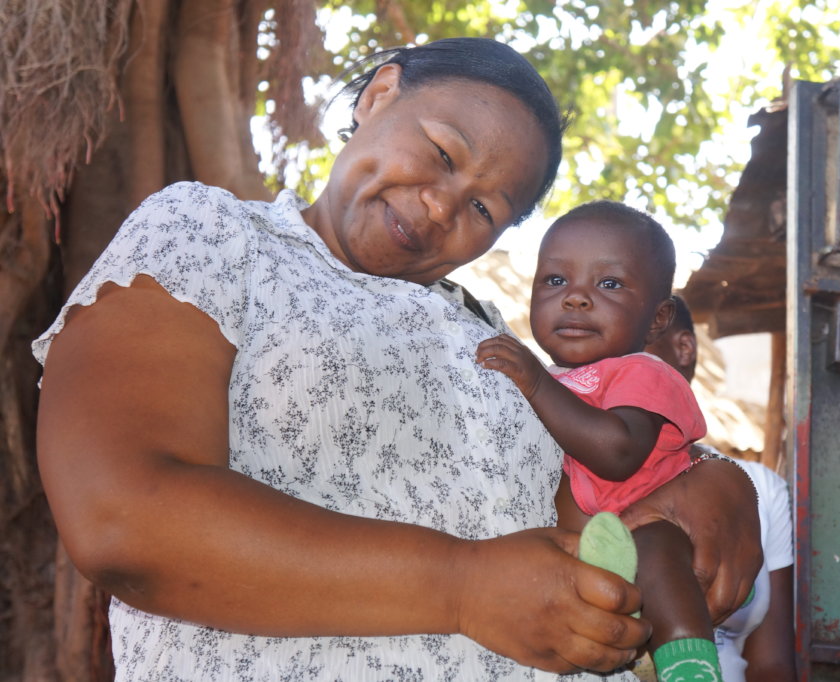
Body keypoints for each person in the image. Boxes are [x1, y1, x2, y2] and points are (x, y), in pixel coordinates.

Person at [33, 37, 761, 681]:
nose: (445, 206)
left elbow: (596, 526)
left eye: (485, 210)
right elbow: (123, 517)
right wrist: (464, 587)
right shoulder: (215, 236)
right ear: (380, 95)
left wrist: (713, 484)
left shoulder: (498, 339)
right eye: (444, 155)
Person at [476, 202, 722, 680]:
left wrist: (534, 383)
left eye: (608, 284)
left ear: (658, 318)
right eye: (554, 280)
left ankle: (689, 663)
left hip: (641, 530)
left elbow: (617, 452)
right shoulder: (552, 379)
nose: (576, 298)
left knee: (658, 548)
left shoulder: (644, 372)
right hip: (579, 562)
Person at [646, 295, 797, 682]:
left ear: (683, 349)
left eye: (635, 349)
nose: (614, 369)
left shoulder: (761, 490)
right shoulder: (568, 475)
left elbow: (771, 663)